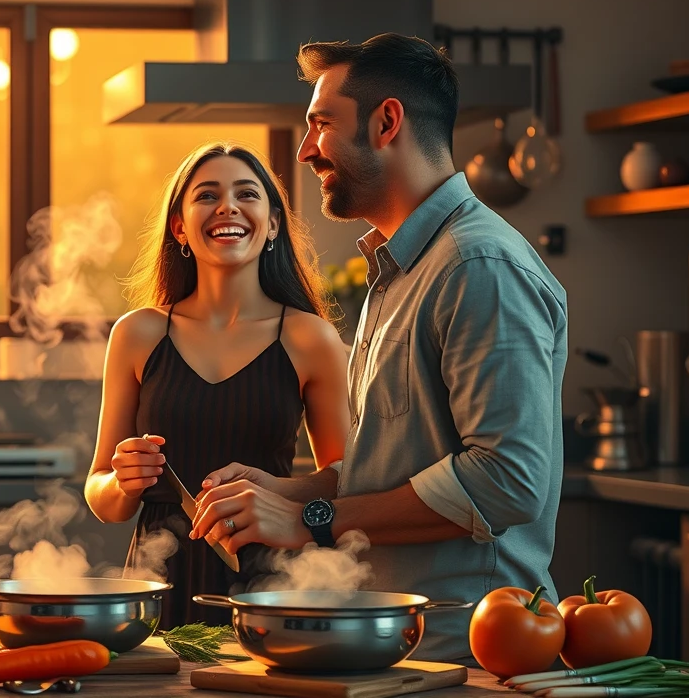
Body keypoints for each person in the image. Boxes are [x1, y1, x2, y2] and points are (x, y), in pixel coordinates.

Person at [190, 34, 569, 663]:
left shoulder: (478, 265)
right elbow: (388, 462)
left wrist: (311, 522)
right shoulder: (398, 270)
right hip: (402, 648)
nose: (308, 150)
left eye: (321, 125)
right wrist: (290, 490)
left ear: (386, 121)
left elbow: (508, 480)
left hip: (468, 655)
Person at [84, 141, 351, 628]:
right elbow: (103, 497)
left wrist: (277, 496)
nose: (228, 206)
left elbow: (345, 477)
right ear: (180, 226)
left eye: (247, 194)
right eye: (207, 195)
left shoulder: (311, 338)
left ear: (272, 223)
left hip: (271, 584)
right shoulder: (137, 334)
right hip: (155, 582)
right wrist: (122, 481)